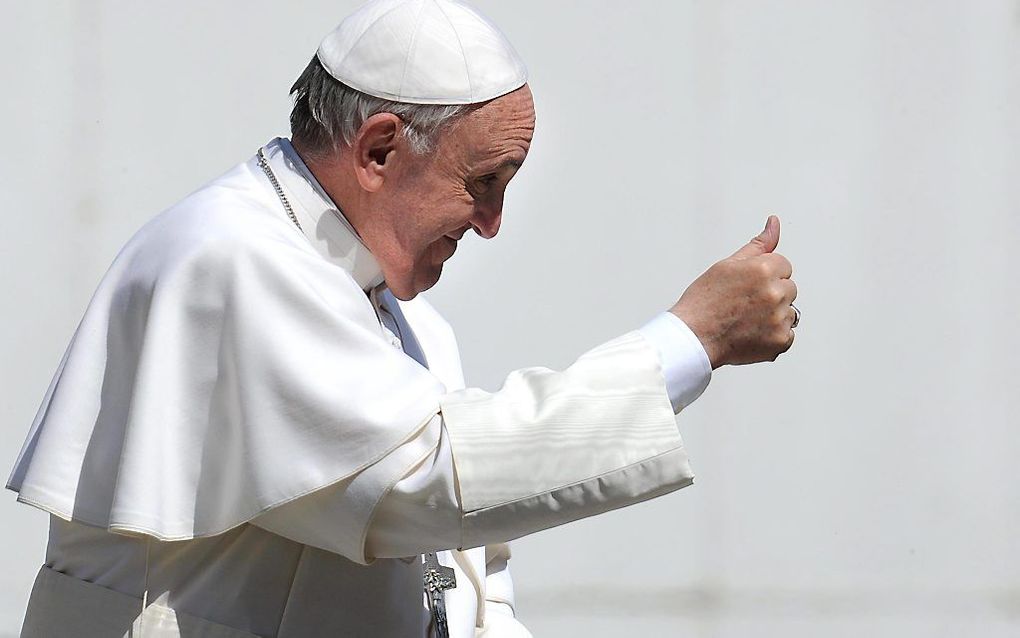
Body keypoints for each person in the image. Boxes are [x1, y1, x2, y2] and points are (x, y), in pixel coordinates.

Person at [6, 1, 799, 636]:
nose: (490, 222)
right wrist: (690, 342)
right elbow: (426, 485)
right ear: (381, 149)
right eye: (484, 180)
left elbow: (462, 590)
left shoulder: (406, 322)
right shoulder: (232, 258)